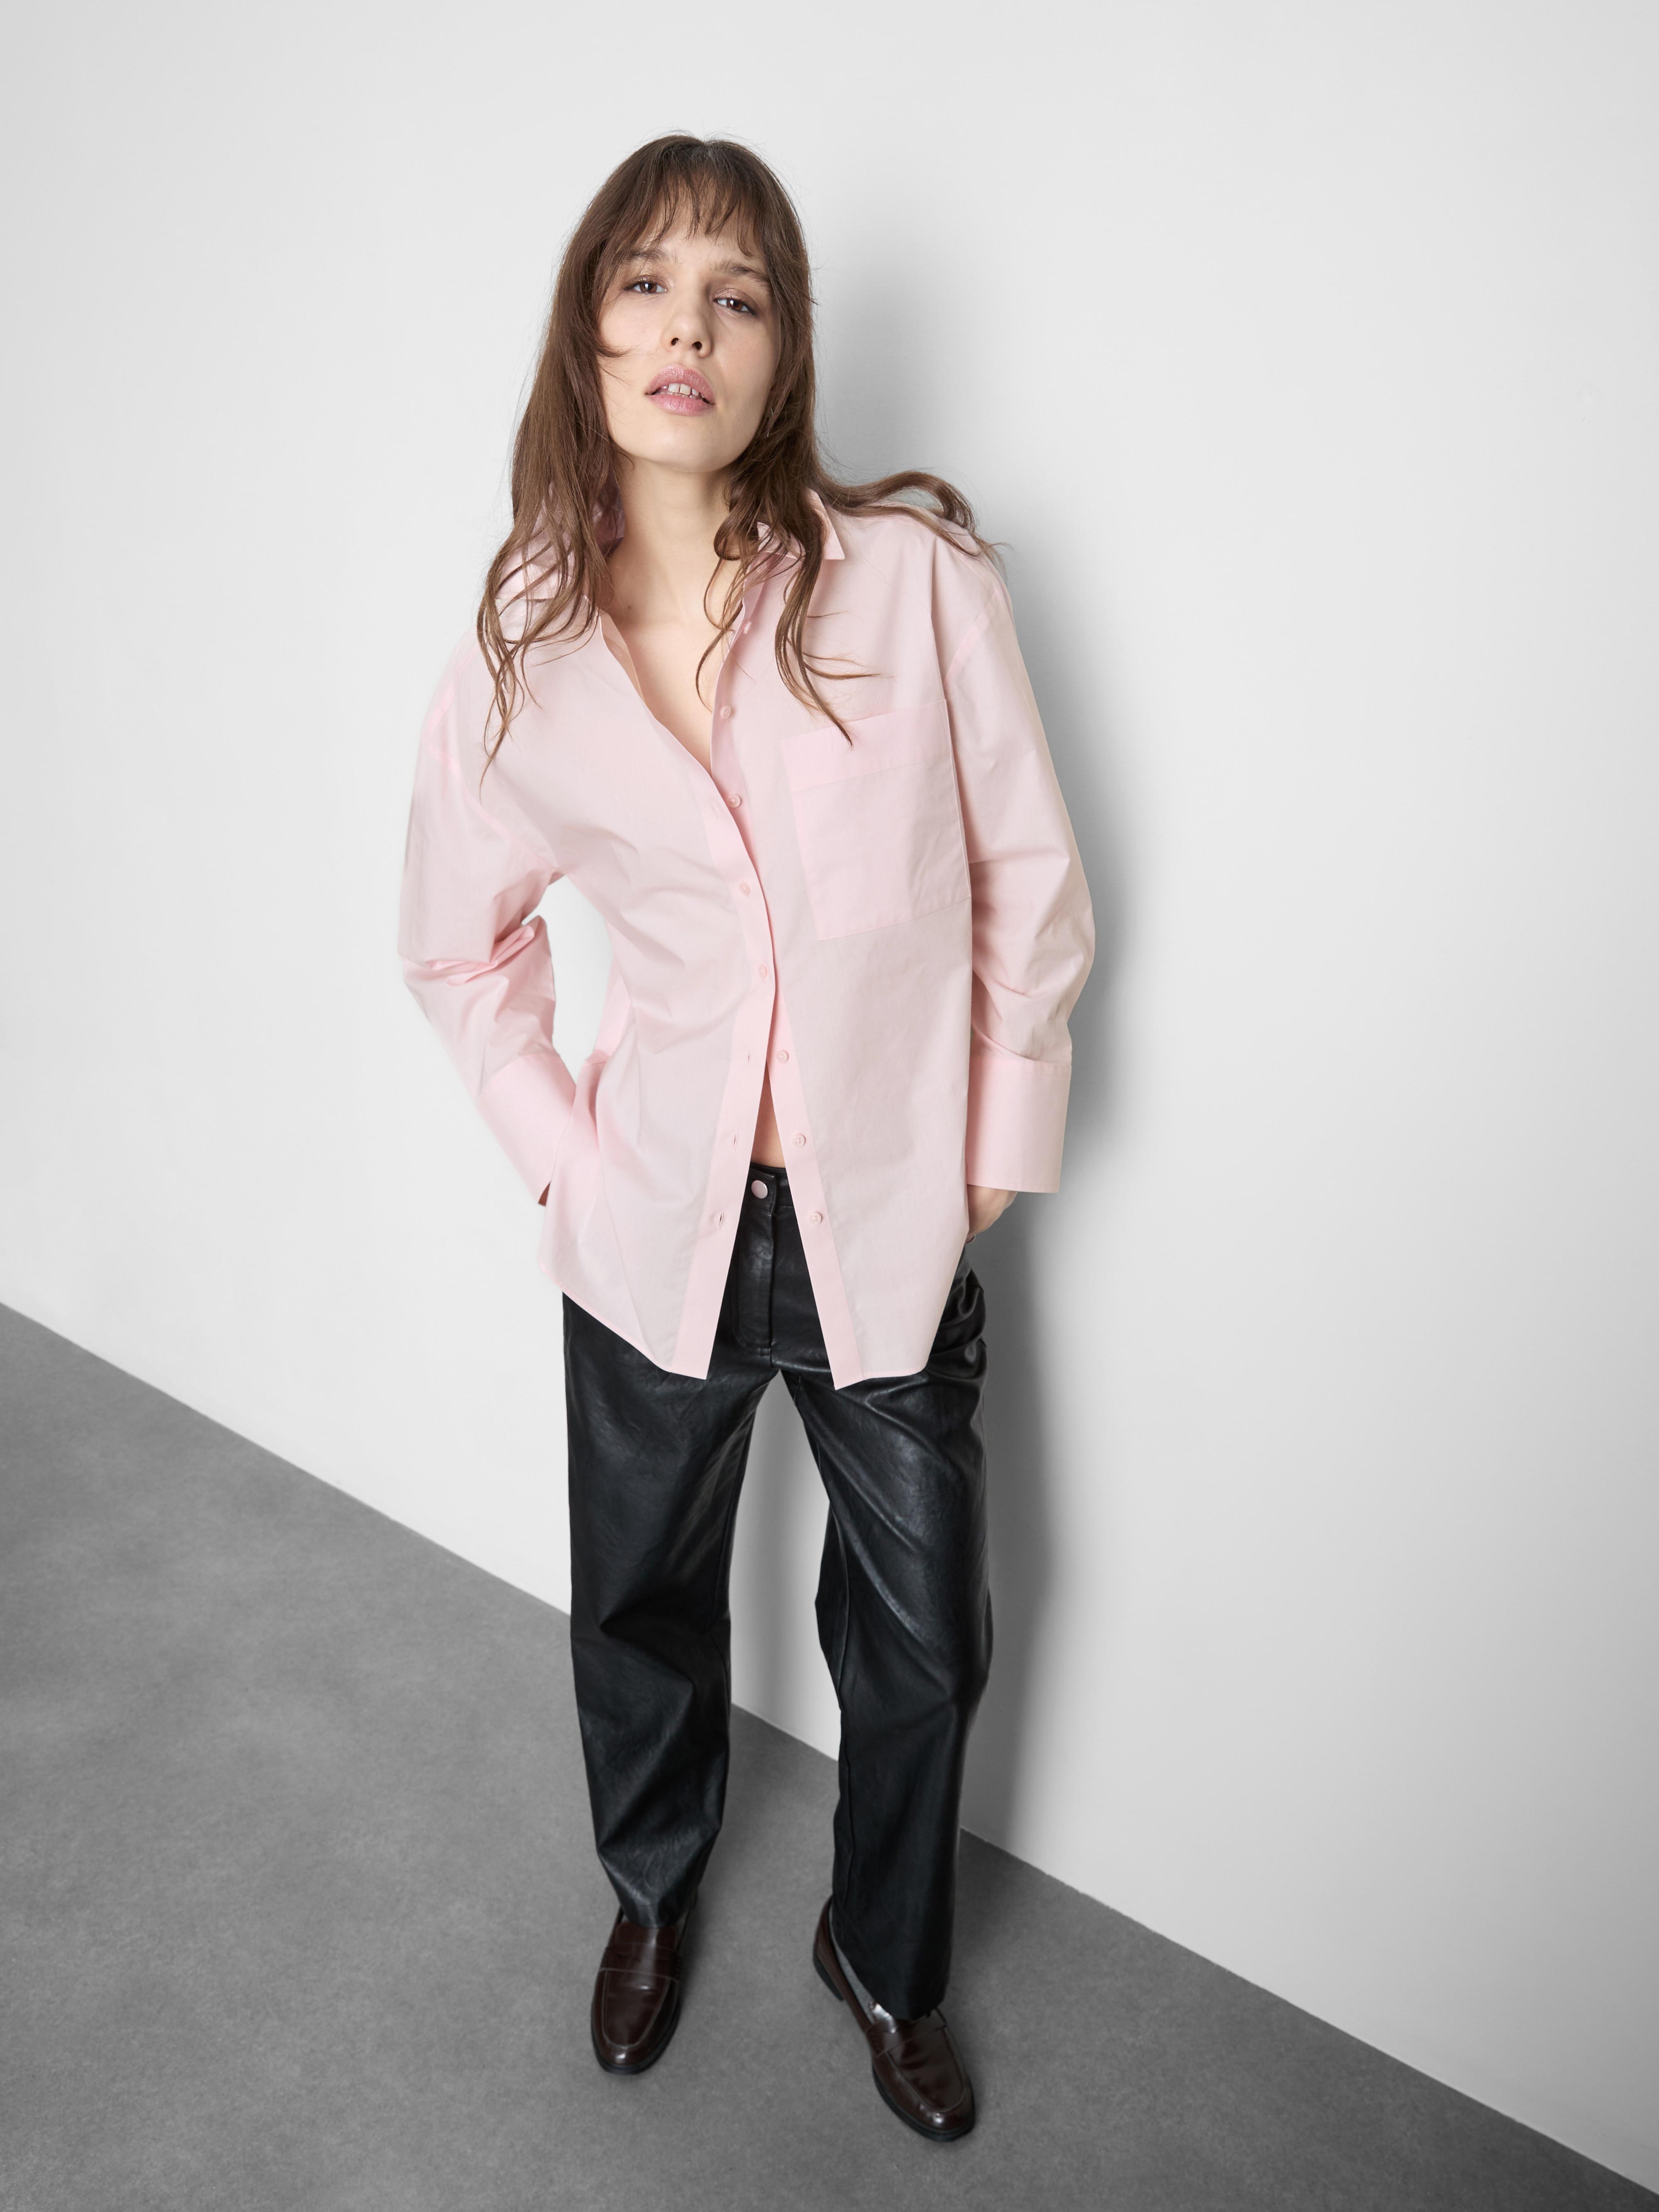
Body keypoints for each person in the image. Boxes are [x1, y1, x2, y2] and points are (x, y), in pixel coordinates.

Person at [397, 134, 1093, 2143]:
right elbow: (454, 939)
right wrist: (562, 1149)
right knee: (636, 1601)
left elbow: (1028, 879)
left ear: (783, 349)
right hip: (656, 1223)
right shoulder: (522, 644)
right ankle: (649, 1889)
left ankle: (885, 1955)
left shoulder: (915, 579)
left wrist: (989, 1148)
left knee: (926, 1640)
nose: (685, 326)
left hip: (884, 1221)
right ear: (587, 331)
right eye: (644, 282)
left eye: (737, 291)